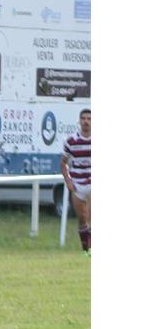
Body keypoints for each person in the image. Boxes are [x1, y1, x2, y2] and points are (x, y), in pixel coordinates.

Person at [61, 108, 91, 254]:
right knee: (82, 219)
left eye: (89, 119)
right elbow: (63, 163)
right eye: (84, 118)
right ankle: (86, 250)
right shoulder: (71, 141)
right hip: (77, 184)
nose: (86, 121)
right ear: (79, 121)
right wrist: (68, 181)